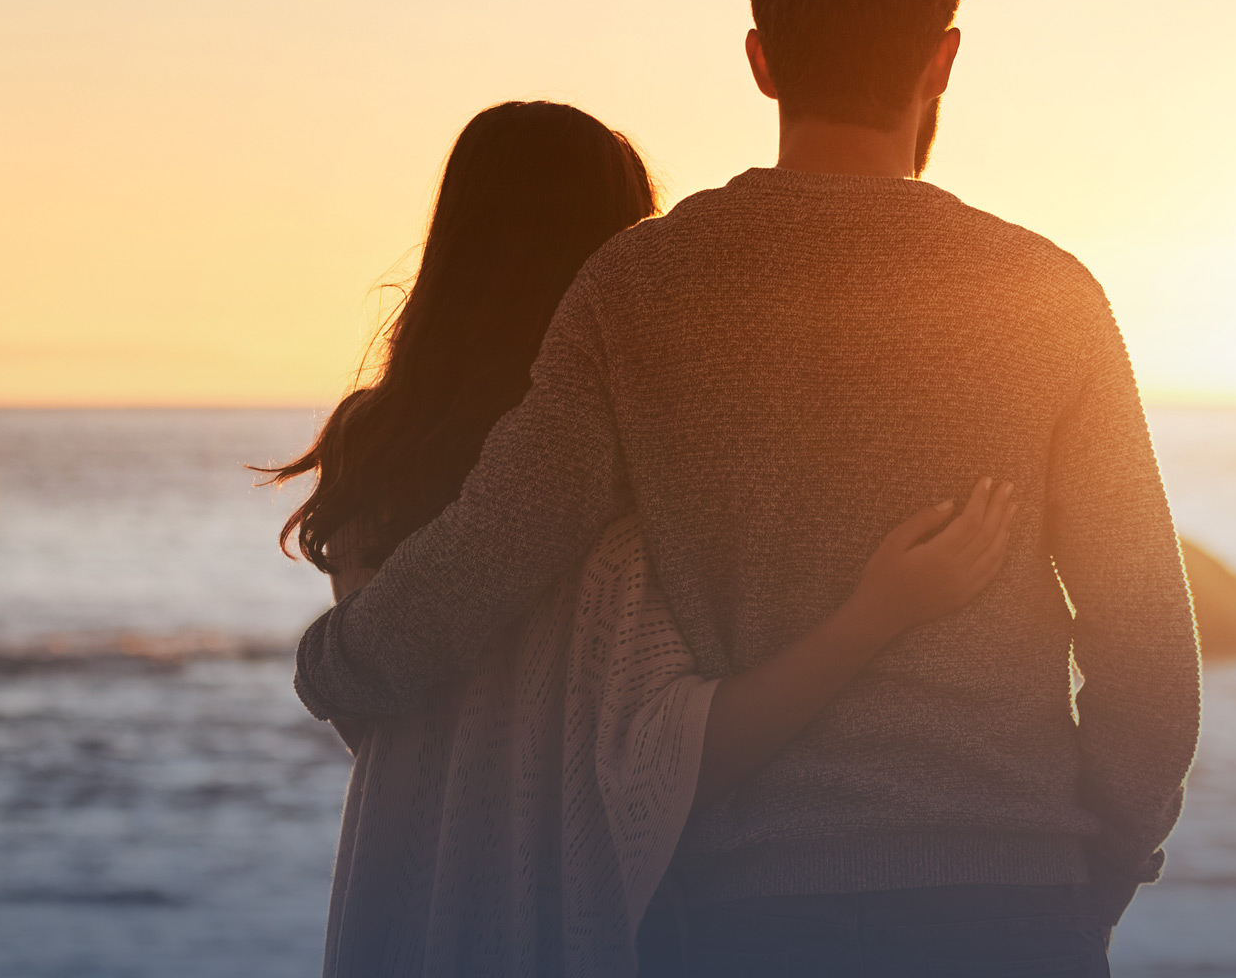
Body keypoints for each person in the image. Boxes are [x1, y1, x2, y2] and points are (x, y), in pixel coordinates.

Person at [294, 0, 1202, 975]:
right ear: (942, 59)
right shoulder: (1047, 296)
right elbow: (1147, 649)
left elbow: (499, 542)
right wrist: (1089, 875)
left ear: (761, 58)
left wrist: (342, 664)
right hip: (1007, 896)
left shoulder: (637, 286)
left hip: (738, 913)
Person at [265, 101, 1018, 976]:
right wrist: (875, 615)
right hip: (585, 924)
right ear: (616, 256)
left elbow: (374, 697)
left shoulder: (377, 447)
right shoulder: (644, 479)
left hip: (401, 916)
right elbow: (683, 763)